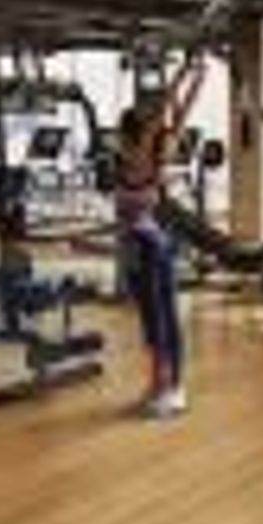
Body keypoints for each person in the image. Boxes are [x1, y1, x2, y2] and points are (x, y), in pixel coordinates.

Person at [116, 106, 187, 419]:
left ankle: (172, 388)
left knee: (162, 323)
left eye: (123, 136)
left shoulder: (151, 164)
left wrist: (184, 85)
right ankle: (159, 384)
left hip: (154, 250)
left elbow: (173, 122)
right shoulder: (126, 164)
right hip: (136, 251)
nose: (120, 142)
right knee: (151, 325)